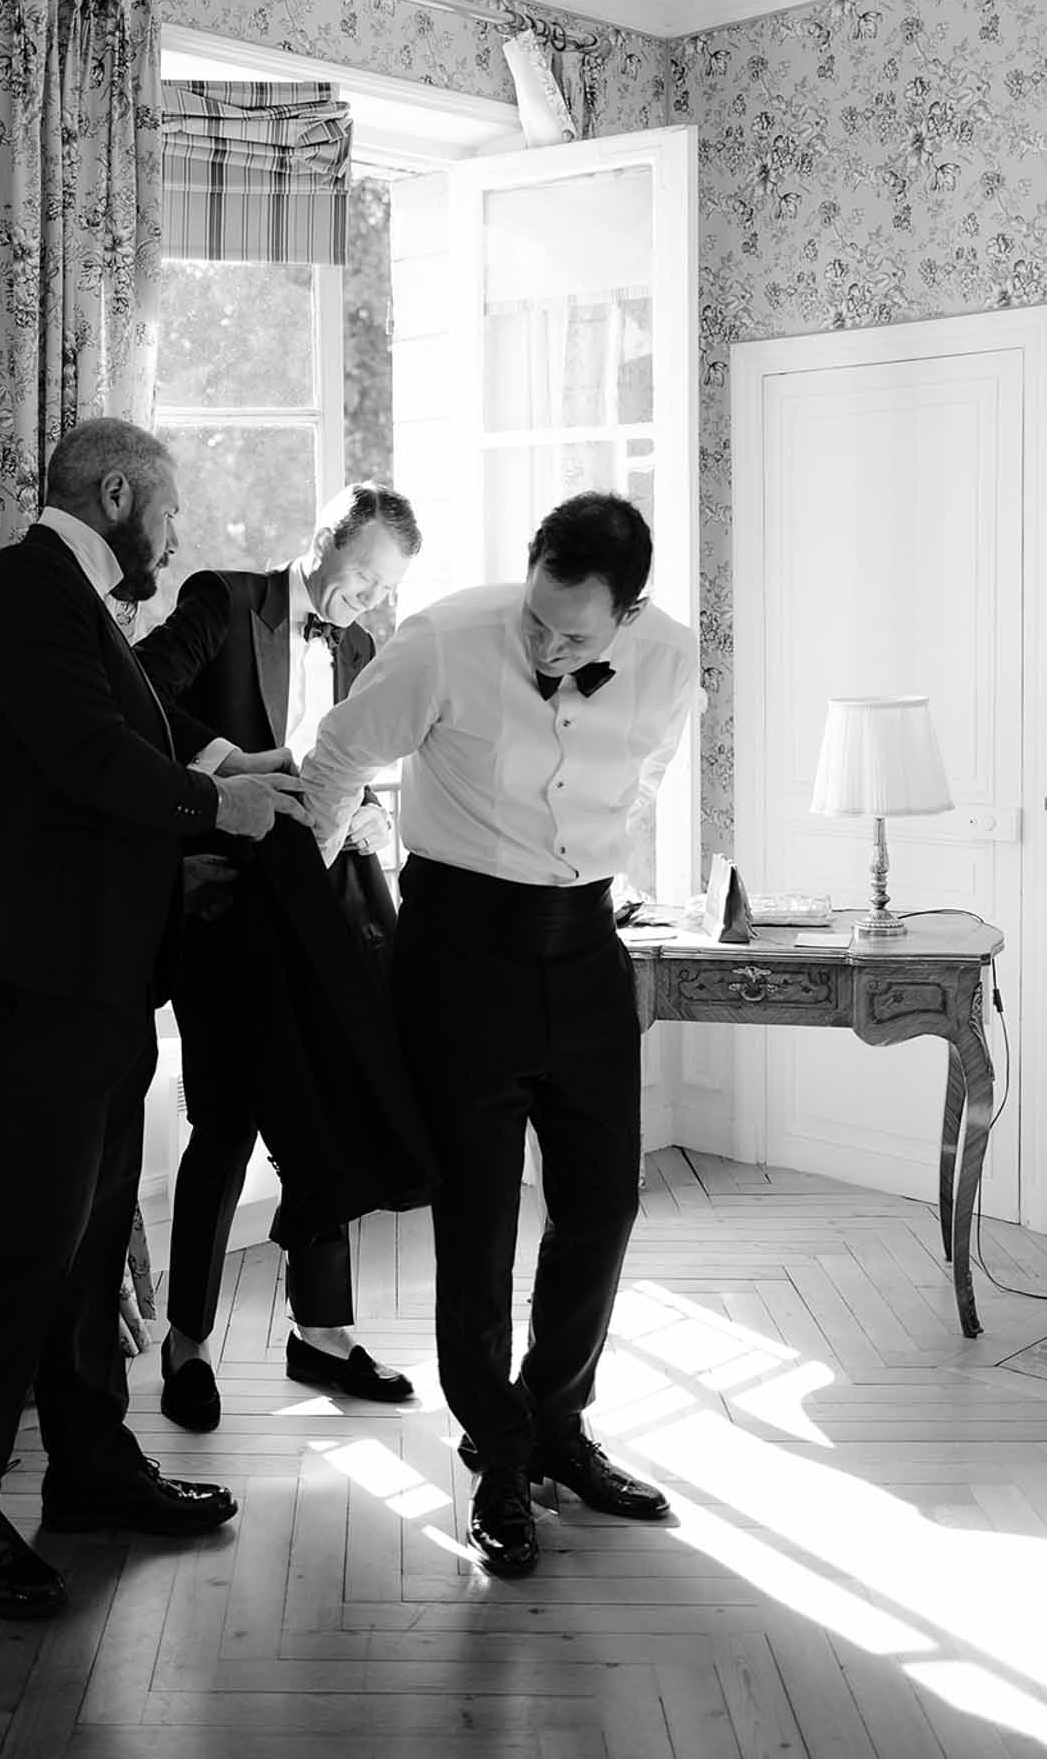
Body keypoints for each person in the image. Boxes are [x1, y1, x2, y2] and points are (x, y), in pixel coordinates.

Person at [0, 419, 306, 1621]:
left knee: (83, 1257)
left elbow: (118, 757)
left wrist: (244, 783)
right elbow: (88, 758)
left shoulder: (81, 612)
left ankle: (88, 1468)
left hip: (89, 989)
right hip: (27, 994)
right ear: (118, 491)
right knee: (17, 1255)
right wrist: (212, 806)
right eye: (171, 510)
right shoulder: (19, 587)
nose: (176, 538)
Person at [299, 493, 698, 1576]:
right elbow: (335, 757)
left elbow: (648, 771)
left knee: (602, 1200)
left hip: (582, 950)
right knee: (474, 1220)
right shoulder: (443, 640)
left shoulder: (669, 659)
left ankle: (557, 1426)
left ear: (632, 610)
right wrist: (302, 919)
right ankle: (496, 1451)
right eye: (537, 618)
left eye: (575, 633)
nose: (547, 643)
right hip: (458, 946)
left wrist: (601, 873)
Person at [137, 483, 423, 1431]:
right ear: (322, 543)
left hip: (322, 913)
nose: (371, 601)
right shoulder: (223, 598)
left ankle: (324, 1333)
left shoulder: (364, 652)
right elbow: (133, 694)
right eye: (365, 576)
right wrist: (235, 764)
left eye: (387, 588)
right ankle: (187, 1345)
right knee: (224, 1122)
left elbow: (347, 767)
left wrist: (367, 812)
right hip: (222, 913)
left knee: (330, 1107)